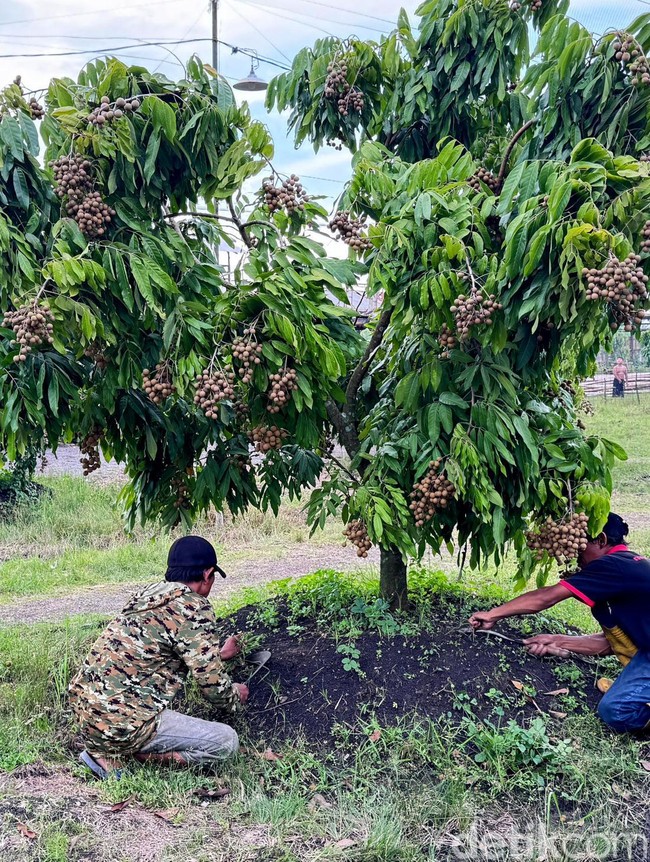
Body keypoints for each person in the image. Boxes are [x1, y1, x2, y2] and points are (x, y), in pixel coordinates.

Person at [69, 536, 248, 778]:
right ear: (207, 575)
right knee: (227, 742)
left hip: (86, 714)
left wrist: (219, 655)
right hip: (120, 724)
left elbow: (156, 649)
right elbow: (212, 685)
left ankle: (102, 750)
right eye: (213, 576)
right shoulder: (194, 606)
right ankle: (130, 756)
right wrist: (235, 696)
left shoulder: (147, 595)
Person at [468, 514, 650, 734]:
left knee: (615, 710)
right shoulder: (628, 565)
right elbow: (611, 644)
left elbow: (546, 597)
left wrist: (493, 614)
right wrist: (556, 641)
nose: (575, 556)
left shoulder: (612, 566)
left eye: (580, 547)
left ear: (601, 540)